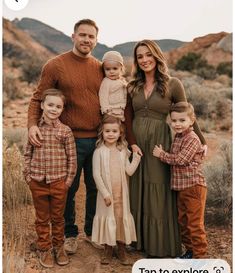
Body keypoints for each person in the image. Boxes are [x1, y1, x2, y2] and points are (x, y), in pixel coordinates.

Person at [27, 19, 104, 254]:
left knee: (95, 188)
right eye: (82, 35)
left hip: (99, 140)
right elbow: (37, 98)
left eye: (91, 36)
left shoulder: (100, 67)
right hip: (67, 140)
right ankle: (70, 234)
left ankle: (91, 232)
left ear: (96, 40)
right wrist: (32, 125)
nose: (86, 40)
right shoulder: (55, 65)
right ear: (73, 36)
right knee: (68, 190)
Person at [124, 39, 207, 257]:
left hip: (160, 144)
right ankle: (137, 239)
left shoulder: (173, 84)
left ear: (156, 56)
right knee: (137, 188)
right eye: (140, 56)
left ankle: (159, 244)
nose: (144, 60)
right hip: (137, 146)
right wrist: (132, 143)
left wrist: (202, 140)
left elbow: (188, 113)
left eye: (148, 55)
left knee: (158, 188)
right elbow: (127, 116)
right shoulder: (132, 86)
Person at [24, 89, 77, 268]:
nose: (54, 109)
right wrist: (28, 177)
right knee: (41, 218)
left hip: (58, 182)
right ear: (42, 105)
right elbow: (27, 154)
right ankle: (44, 248)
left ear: (62, 109)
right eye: (50, 105)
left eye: (58, 106)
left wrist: (67, 182)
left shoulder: (65, 131)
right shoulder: (34, 129)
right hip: (37, 181)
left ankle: (58, 247)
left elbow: (72, 159)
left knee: (57, 218)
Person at [153, 102, 208, 259]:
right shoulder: (178, 136)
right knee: (183, 223)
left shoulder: (192, 138)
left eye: (182, 120)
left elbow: (181, 159)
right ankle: (190, 252)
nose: (177, 124)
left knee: (195, 224)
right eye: (174, 120)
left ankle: (200, 257)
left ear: (192, 120)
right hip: (182, 188)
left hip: (194, 187)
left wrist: (161, 154)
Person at [91, 116, 141, 265]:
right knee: (108, 218)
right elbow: (96, 174)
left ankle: (121, 249)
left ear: (120, 133)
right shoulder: (99, 152)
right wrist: (105, 194)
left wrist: (136, 159)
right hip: (107, 195)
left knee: (120, 219)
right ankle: (108, 249)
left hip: (121, 195)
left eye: (114, 131)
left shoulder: (123, 151)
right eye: (107, 131)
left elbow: (129, 171)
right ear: (102, 133)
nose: (111, 134)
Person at [99, 51, 127, 121]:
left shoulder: (122, 80)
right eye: (108, 69)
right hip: (110, 112)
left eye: (115, 68)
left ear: (121, 68)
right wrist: (106, 110)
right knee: (111, 128)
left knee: (120, 129)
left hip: (121, 111)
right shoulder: (106, 82)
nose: (111, 71)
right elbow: (103, 95)